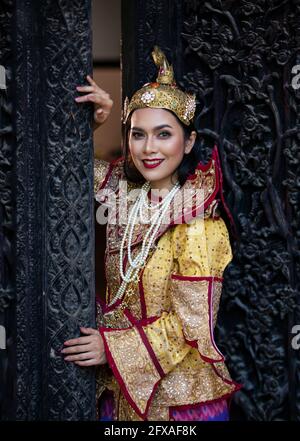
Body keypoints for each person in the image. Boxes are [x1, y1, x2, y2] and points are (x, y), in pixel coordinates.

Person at [62, 46, 241, 421]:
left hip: (181, 403)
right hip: (116, 391)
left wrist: (111, 348)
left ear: (188, 142)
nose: (148, 148)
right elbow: (64, 174)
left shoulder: (199, 221)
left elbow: (190, 324)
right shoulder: (122, 192)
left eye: (163, 134)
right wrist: (93, 123)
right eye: (137, 134)